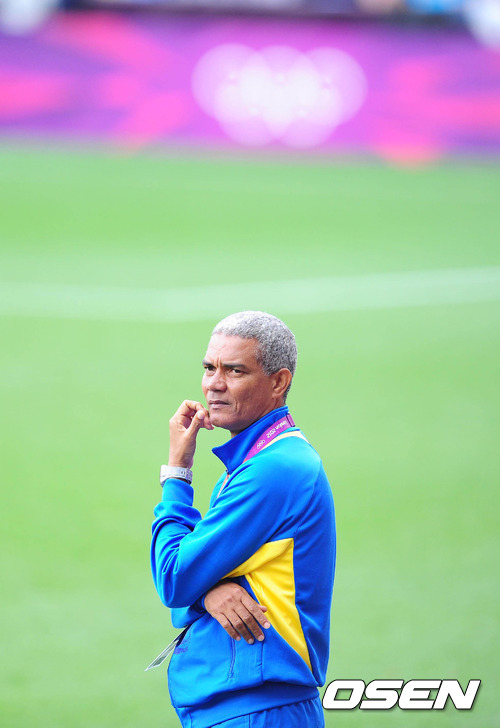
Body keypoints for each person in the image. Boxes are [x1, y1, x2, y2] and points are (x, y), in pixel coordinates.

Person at [151, 311, 336, 728]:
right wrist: (207, 594)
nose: (214, 384)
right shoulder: (258, 460)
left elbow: (174, 578)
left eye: (234, 371)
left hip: (257, 710)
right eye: (209, 368)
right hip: (244, 706)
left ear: (278, 382)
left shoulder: (273, 470)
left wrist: (177, 472)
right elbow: (188, 585)